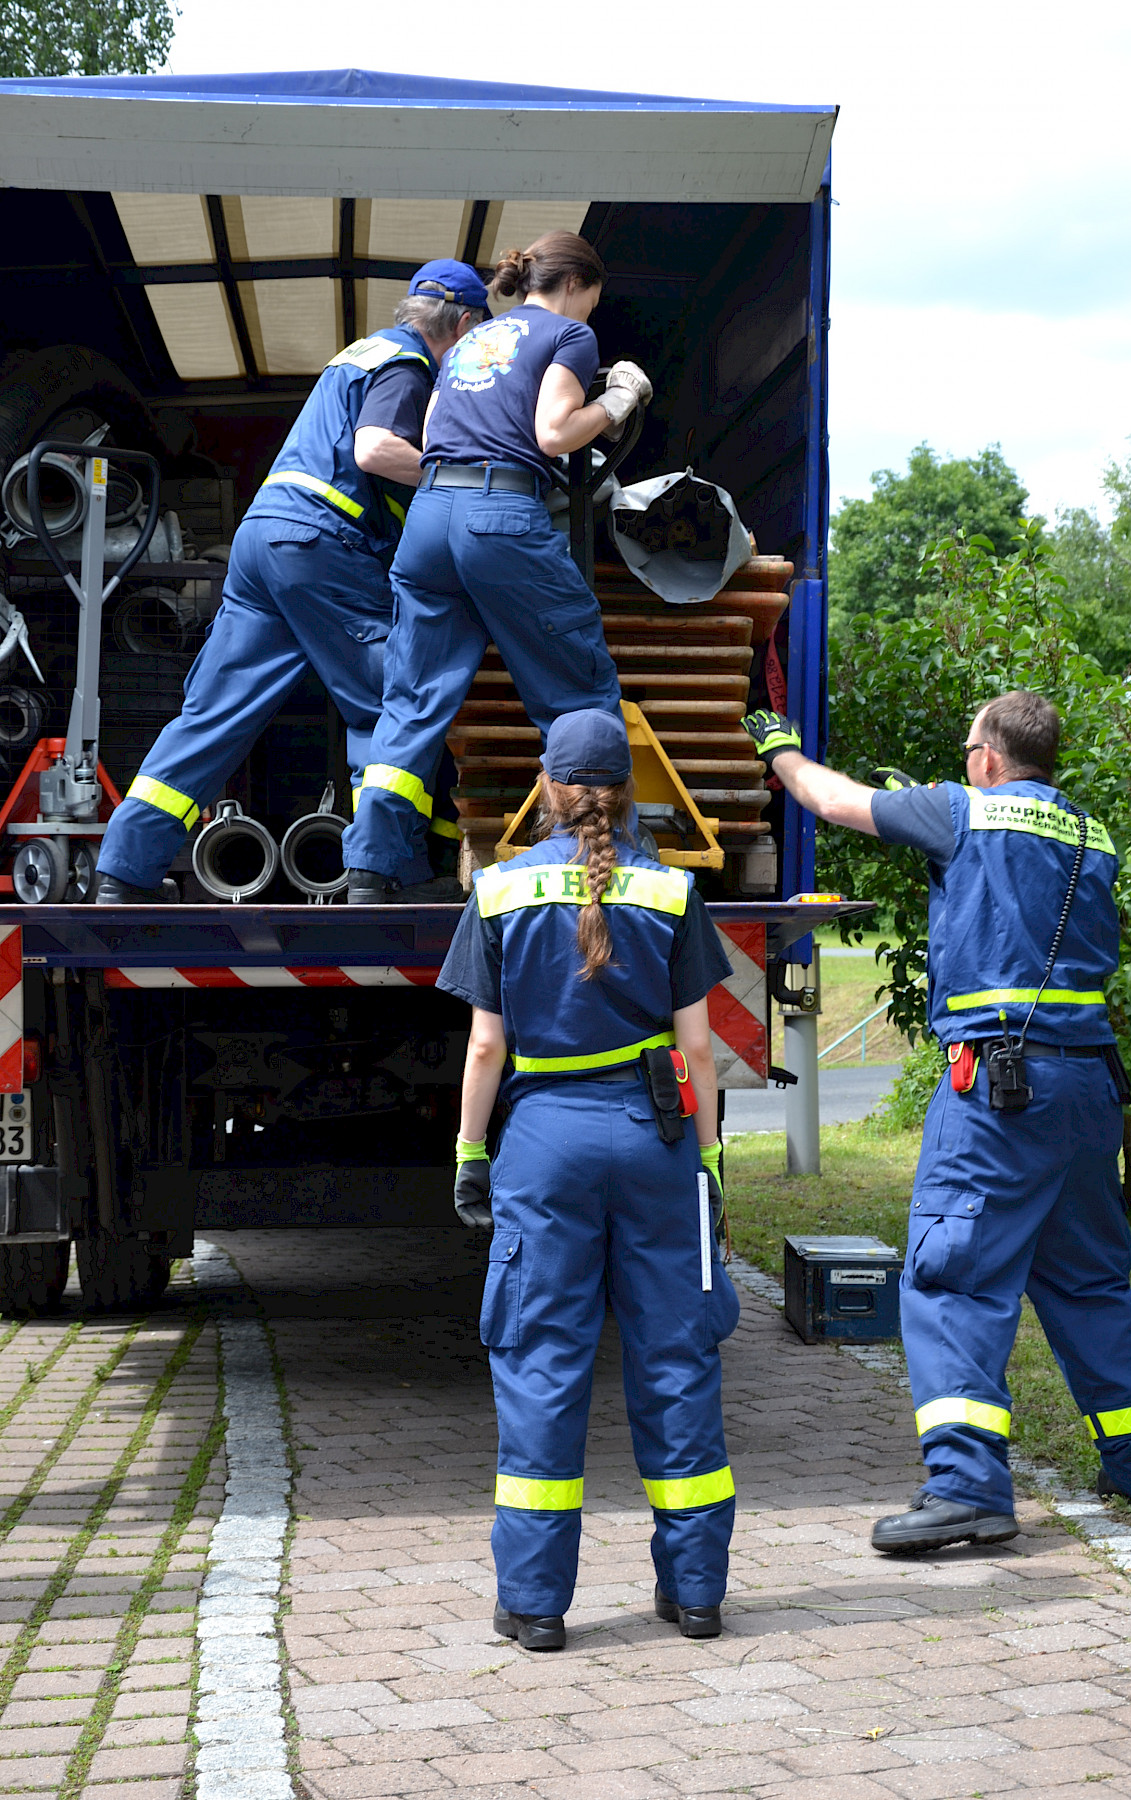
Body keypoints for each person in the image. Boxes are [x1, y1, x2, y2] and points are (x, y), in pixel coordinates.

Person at [744, 690, 1131, 1554]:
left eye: (968, 746)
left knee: (952, 1283)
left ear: (986, 756)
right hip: (1087, 1089)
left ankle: (968, 1488)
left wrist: (781, 750)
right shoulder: (1092, 835)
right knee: (1088, 1282)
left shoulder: (959, 810)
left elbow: (829, 801)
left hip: (994, 1095)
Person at [436, 709, 740, 1649]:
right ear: (630, 788)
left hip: (544, 1146)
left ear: (550, 787)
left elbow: (488, 1044)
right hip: (654, 1142)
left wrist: (469, 1153)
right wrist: (710, 1165)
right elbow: (701, 1050)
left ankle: (534, 1606)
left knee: (541, 1363)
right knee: (677, 1359)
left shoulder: (495, 892)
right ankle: (695, 1595)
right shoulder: (673, 892)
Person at [95, 260, 490, 902]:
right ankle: (383, 870)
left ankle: (124, 870)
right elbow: (375, 451)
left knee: (214, 713)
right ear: (465, 325)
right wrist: (465, 477)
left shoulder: (355, 356)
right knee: (388, 700)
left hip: (263, 542)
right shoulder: (407, 364)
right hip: (320, 543)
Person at [342, 230, 653, 904]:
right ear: (577, 285)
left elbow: (430, 436)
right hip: (500, 513)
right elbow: (553, 433)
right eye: (592, 302)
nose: (590, 316)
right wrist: (616, 402)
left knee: (415, 696)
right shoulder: (569, 336)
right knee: (577, 684)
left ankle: (369, 866)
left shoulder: (472, 340)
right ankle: (606, 853)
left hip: (428, 517)